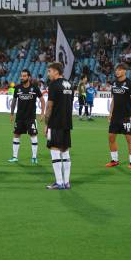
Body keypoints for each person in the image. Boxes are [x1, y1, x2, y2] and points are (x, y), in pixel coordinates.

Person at [44, 62, 73, 190]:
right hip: (67, 122)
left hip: (55, 122)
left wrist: (46, 123)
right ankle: (66, 182)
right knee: (65, 151)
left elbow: (50, 105)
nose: (48, 73)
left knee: (54, 150)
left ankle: (59, 182)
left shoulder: (54, 85)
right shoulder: (69, 84)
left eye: (49, 71)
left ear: (56, 71)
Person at [8, 69, 45, 164]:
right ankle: (15, 157)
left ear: (29, 77)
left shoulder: (34, 88)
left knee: (33, 135)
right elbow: (14, 101)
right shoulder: (18, 88)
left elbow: (42, 100)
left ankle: (34, 157)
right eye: (21, 76)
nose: (22, 77)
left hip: (30, 117)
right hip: (19, 117)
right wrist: (12, 114)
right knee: (16, 135)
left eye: (24, 76)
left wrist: (42, 113)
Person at [106, 64, 131, 169]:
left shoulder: (130, 83)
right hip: (115, 117)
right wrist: (110, 113)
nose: (117, 71)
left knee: (130, 140)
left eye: (119, 70)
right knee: (111, 138)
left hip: (126, 117)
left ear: (125, 71)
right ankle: (114, 160)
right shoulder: (114, 83)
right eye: (116, 70)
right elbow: (113, 99)